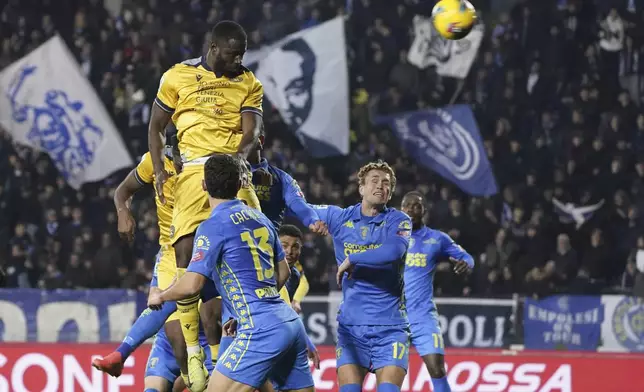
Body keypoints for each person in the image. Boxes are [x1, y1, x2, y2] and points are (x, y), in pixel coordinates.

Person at [148, 20, 265, 391]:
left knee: (259, 245)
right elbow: (156, 128)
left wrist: (241, 159)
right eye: (234, 55)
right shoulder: (176, 77)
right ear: (214, 48)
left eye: (242, 55)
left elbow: (253, 132)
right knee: (184, 251)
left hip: (232, 169)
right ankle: (195, 350)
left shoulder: (248, 82)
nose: (239, 61)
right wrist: (162, 171)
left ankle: (261, 329)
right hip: (193, 172)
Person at [148, 154, 315, 392]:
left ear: (203, 185)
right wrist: (254, 303)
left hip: (259, 328)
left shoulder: (212, 226)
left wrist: (161, 295)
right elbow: (284, 272)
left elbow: (193, 284)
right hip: (289, 322)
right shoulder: (261, 219)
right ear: (239, 185)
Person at [93, 134, 190, 382]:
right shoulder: (154, 162)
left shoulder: (205, 165)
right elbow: (122, 191)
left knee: (210, 325)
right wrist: (123, 211)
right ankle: (120, 355)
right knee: (171, 327)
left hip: (206, 247)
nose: (180, 164)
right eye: (177, 157)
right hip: (171, 250)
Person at [312, 160, 412, 392]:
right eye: (374, 181)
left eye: (386, 183)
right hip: (351, 329)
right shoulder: (339, 218)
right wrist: (310, 220)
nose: (380, 186)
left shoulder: (399, 220)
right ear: (361, 188)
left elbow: (394, 251)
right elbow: (302, 207)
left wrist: (353, 258)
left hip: (390, 329)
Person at [400, 191, 474, 392]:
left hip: (423, 316)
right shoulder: (389, 237)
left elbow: (467, 257)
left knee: (437, 368)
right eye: (407, 205)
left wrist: (466, 264)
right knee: (389, 373)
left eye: (416, 206)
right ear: (400, 209)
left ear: (424, 211)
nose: (410, 210)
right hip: (393, 317)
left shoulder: (437, 239)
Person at [248, 132, 327, 312]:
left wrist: (312, 220)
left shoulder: (281, 179)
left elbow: (299, 204)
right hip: (233, 256)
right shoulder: (227, 173)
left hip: (267, 259)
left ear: (260, 140)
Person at [144, 257, 215, 392]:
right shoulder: (164, 255)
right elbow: (154, 296)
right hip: (169, 341)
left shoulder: (208, 252)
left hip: (206, 341)